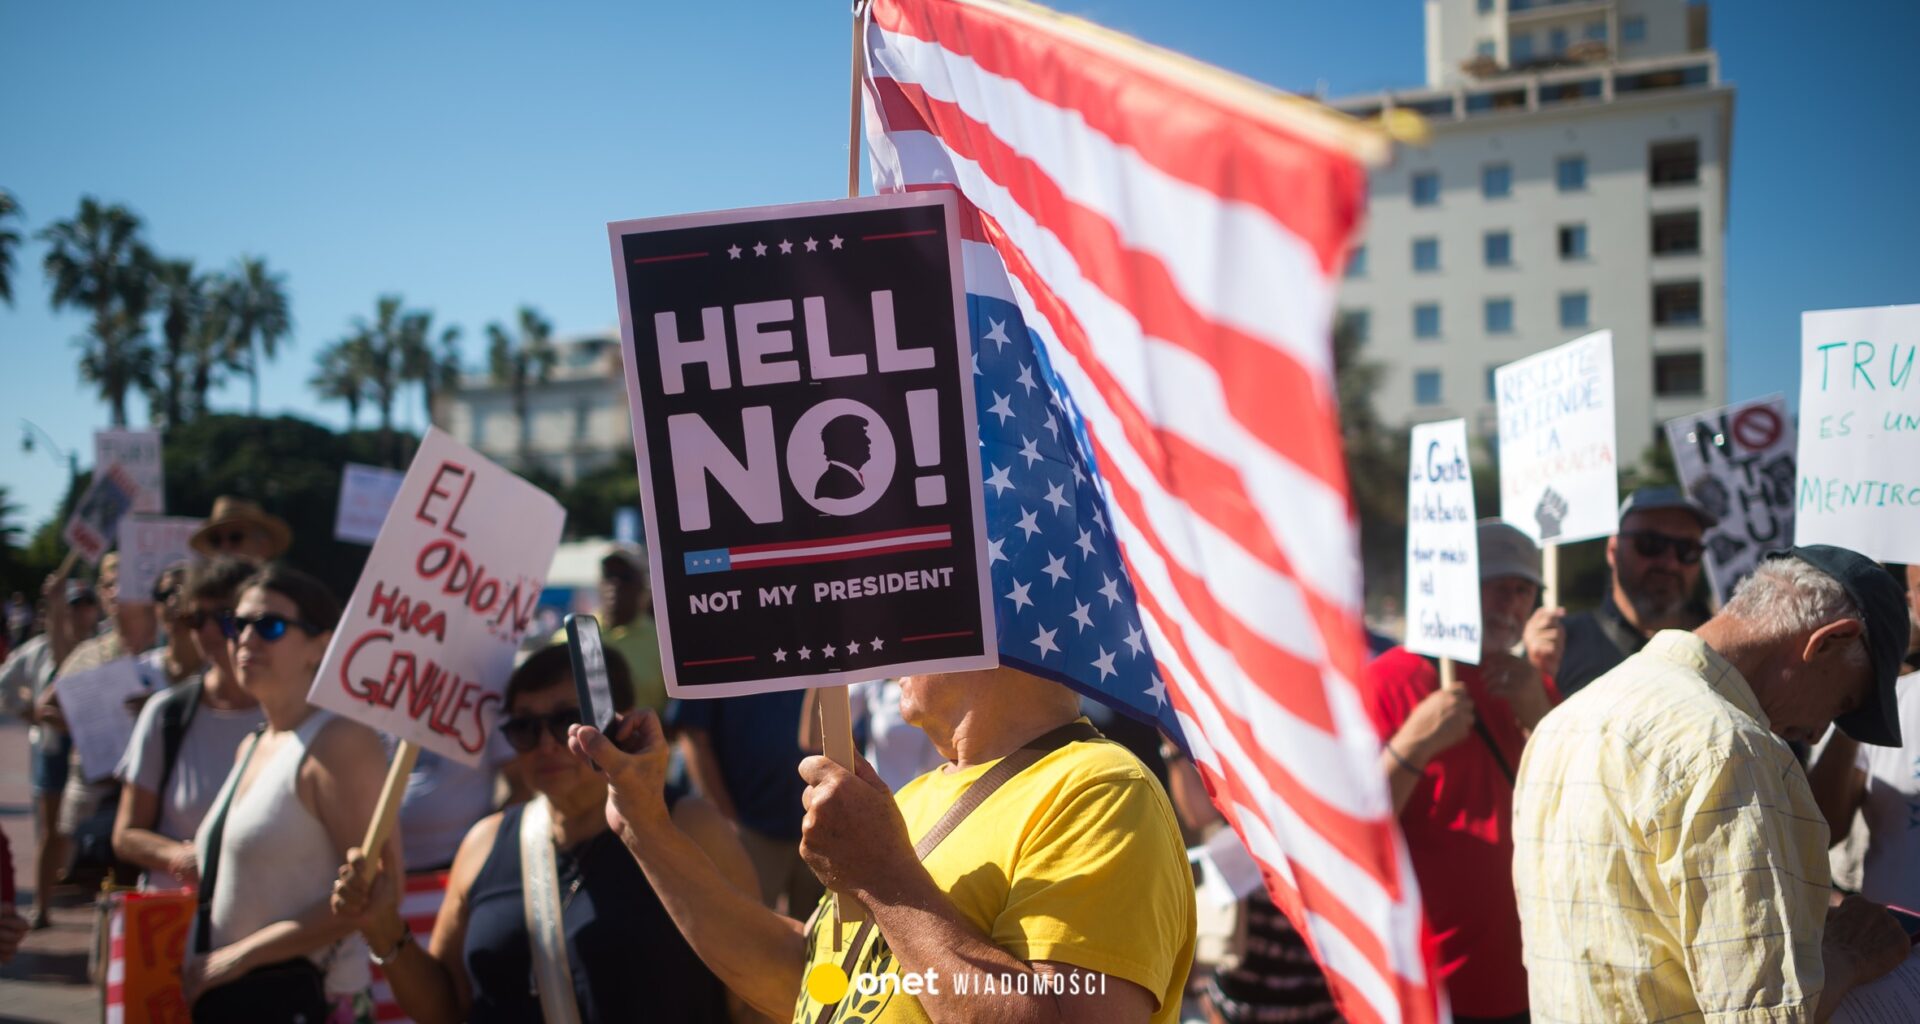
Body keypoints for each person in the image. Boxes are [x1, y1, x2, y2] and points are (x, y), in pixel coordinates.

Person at [573, 664, 1197, 1023]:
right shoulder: (920, 794)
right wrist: (644, 825)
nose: (884, 642)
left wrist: (885, 879)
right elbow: (813, 980)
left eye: (917, 607)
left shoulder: (1102, 790)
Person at [1513, 546, 1915, 1021]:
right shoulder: (1731, 749)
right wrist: (1848, 957)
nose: (1816, 733)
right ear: (1826, 642)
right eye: (1843, 702)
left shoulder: (1565, 720)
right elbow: (1765, 1016)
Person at [329, 643, 752, 1023]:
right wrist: (383, 927)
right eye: (524, 728)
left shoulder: (691, 826)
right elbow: (446, 1008)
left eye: (566, 720)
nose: (546, 744)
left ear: (619, 721)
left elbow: (754, 997)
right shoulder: (484, 844)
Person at [1365, 520, 1558, 1024]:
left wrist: (1539, 710)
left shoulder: (1530, 686)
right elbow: (1352, 832)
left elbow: (1583, 803)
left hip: (1535, 977)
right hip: (1427, 986)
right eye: (1496, 585)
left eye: (1523, 590)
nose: (1511, 604)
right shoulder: (1385, 682)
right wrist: (1415, 743)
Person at [183, 564, 389, 1021]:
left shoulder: (340, 742)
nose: (246, 639)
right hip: (239, 1000)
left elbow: (374, 891)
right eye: (237, 624)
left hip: (304, 1000)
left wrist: (241, 956)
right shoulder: (253, 743)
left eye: (271, 626)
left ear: (320, 646)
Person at [111, 557, 263, 891]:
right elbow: (125, 834)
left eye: (222, 617)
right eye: (195, 619)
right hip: (176, 926)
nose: (206, 632)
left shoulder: (289, 715)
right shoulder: (167, 713)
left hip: (262, 924)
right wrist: (178, 856)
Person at [1809, 562, 1920, 910]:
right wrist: (1876, 682)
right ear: (1912, 601)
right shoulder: (1890, 697)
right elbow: (1818, 829)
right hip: (1897, 950)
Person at [1548, 486, 1715, 696]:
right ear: (1612, 550)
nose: (1670, 563)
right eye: (1650, 543)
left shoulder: (1722, 650)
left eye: (1687, 549)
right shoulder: (1560, 647)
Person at [672, 688, 821, 916]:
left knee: (817, 938)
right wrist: (726, 819)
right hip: (749, 827)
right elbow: (693, 736)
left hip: (818, 826)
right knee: (746, 927)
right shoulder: (714, 653)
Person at [0, 582, 99, 927]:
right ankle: (42, 906)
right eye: (73, 604)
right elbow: (6, 686)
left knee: (91, 832)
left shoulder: (103, 649)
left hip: (93, 753)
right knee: (50, 830)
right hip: (55, 751)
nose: (79, 610)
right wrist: (30, 713)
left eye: (87, 602)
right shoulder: (39, 650)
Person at [591, 546, 667, 717]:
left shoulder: (665, 642)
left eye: (625, 577)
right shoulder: (569, 638)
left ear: (643, 585)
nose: (615, 584)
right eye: (608, 575)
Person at [188, 495, 293, 562]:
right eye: (215, 540)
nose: (225, 546)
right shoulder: (202, 595)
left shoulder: (283, 592)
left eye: (235, 537)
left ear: (263, 545)